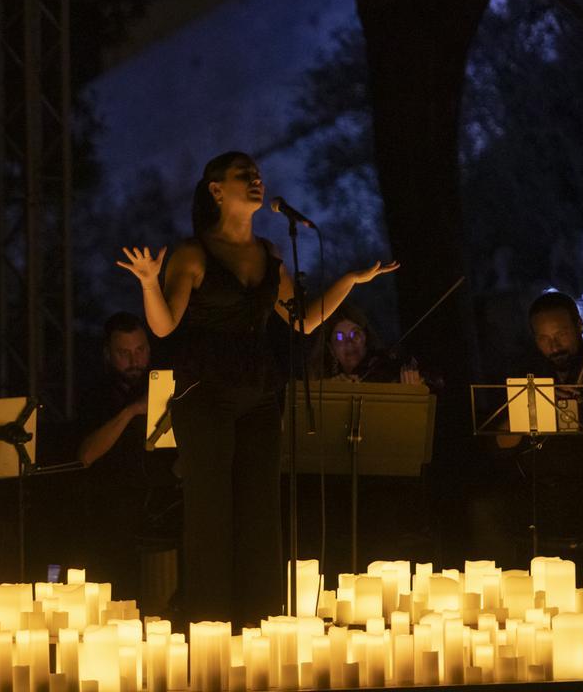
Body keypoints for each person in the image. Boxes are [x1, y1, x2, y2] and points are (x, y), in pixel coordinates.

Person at [117, 150, 397, 626]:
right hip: (205, 394)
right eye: (243, 175)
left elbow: (304, 321)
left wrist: (350, 280)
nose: (256, 180)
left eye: (258, 174)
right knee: (210, 513)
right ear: (216, 190)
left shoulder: (268, 254)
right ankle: (210, 626)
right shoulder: (193, 253)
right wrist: (148, 283)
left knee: (261, 511)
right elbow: (164, 327)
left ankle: (259, 623)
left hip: (259, 394)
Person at [469, 291, 583, 576]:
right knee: (484, 506)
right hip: (534, 489)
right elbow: (499, 447)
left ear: (579, 327)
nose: (554, 346)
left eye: (561, 335)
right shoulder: (524, 373)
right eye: (544, 338)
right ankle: (505, 591)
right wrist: (530, 406)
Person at [75, 312, 179, 601]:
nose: (135, 360)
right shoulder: (95, 396)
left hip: (164, 508)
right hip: (112, 516)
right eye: (124, 353)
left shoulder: (165, 388)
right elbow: (86, 455)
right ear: (108, 355)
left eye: (140, 350)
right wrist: (132, 411)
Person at [317, 302, 422, 384]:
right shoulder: (321, 381)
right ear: (331, 348)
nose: (349, 343)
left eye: (355, 334)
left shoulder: (387, 370)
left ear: (366, 337)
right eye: (339, 337)